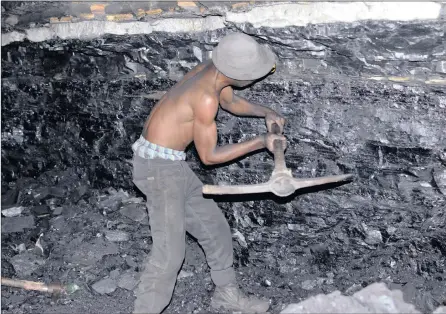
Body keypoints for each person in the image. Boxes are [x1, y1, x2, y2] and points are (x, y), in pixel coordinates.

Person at [131, 32, 286, 314]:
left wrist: (266, 112)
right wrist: (261, 142)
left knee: (215, 229)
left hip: (170, 164)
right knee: (169, 255)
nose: (254, 79)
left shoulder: (212, 70)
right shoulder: (204, 98)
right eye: (253, 75)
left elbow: (232, 103)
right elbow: (209, 157)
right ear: (238, 75)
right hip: (158, 170)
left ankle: (226, 296)